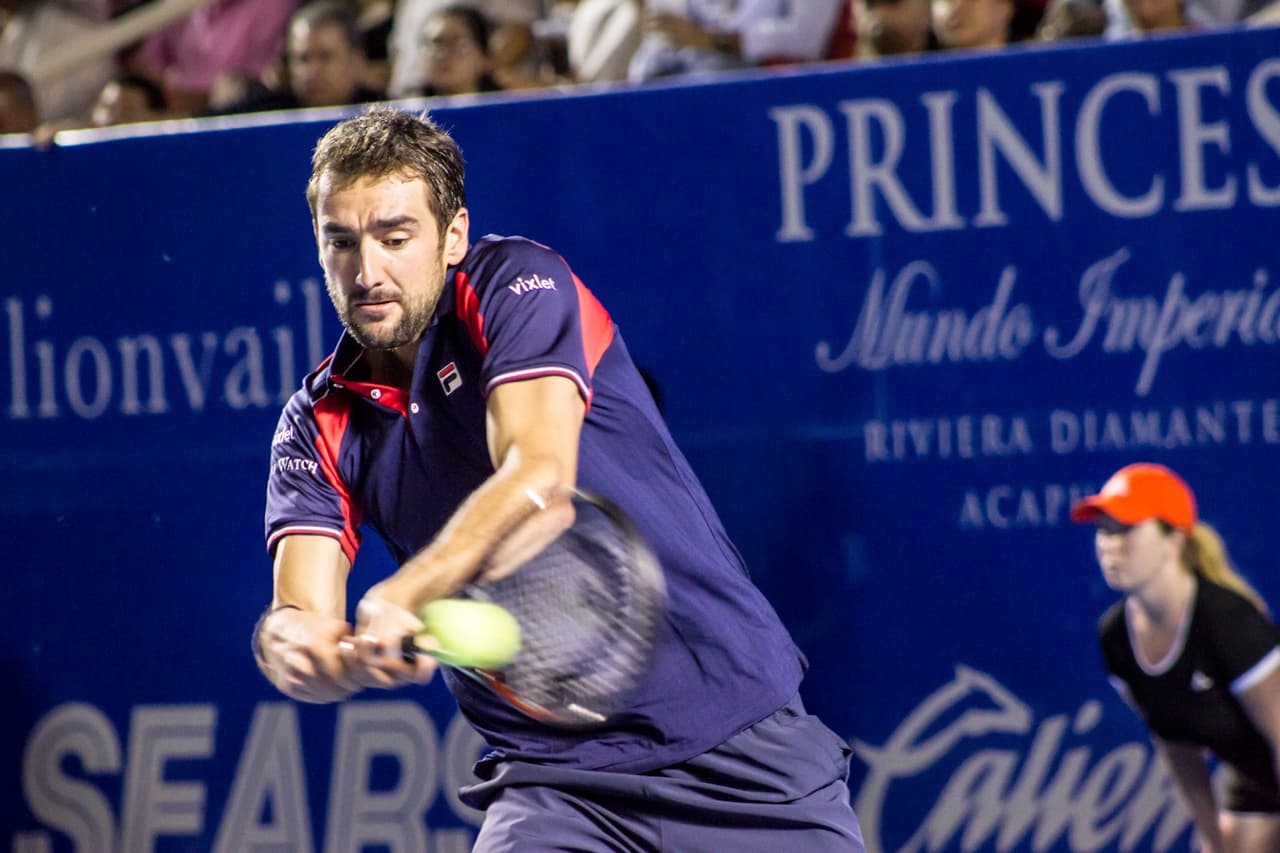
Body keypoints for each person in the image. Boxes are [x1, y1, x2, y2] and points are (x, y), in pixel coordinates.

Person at [254, 107, 865, 851]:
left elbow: (539, 481)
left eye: (394, 236)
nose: (366, 270)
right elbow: (301, 607)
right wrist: (298, 645)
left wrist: (407, 592)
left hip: (740, 746)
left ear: (451, 237)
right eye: (340, 242)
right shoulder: (316, 423)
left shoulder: (516, 283)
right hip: (555, 785)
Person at [1071, 463, 1280, 853]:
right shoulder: (1115, 638)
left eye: (1127, 528)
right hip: (1254, 778)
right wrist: (1212, 838)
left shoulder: (1228, 622)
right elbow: (1176, 745)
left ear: (1174, 541)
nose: (1111, 545)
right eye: (1104, 530)